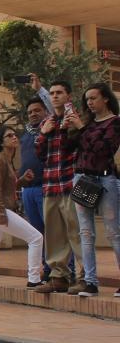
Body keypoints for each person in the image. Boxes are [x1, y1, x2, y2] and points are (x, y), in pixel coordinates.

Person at [62, 82, 120, 298]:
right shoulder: (86, 123)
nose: (90, 103)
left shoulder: (115, 123)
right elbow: (69, 148)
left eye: (93, 98)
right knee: (85, 232)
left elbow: (102, 149)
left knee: (114, 232)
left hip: (105, 180)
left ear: (106, 98)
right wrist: (66, 127)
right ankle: (90, 282)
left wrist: (80, 127)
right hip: (82, 178)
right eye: (87, 99)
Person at [0, 125, 44, 287]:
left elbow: (6, 187)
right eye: (9, 136)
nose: (14, 137)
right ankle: (34, 279)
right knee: (36, 238)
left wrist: (21, 181)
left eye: (15, 135)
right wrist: (1, 214)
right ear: (1, 142)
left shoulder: (6, 159)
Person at [33, 80, 84, 294]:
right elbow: (40, 154)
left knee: (77, 233)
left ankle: (84, 276)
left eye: (59, 93)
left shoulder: (75, 120)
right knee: (54, 234)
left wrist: (68, 129)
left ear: (68, 96)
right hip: (50, 185)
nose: (55, 96)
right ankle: (58, 277)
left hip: (71, 183)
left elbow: (78, 146)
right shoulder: (48, 121)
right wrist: (44, 133)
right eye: (52, 93)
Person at [18, 93, 51, 279]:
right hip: (27, 190)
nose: (33, 114)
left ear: (45, 111)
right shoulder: (24, 135)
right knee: (36, 232)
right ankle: (44, 269)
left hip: (45, 187)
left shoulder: (48, 130)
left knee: (52, 231)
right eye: (30, 111)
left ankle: (59, 269)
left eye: (37, 110)